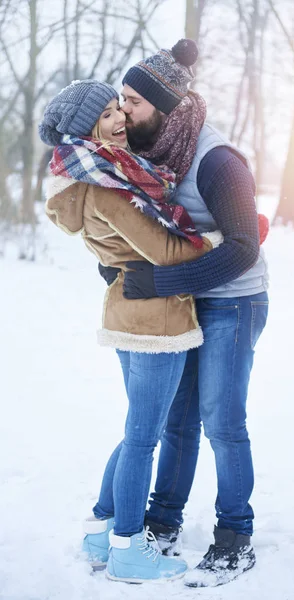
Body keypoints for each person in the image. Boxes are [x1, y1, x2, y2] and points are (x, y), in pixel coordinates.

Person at [38, 79, 223, 584]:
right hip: (155, 321)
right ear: (86, 131)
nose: (120, 119)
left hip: (130, 313)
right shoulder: (107, 185)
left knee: (138, 433)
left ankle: (102, 528)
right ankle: (126, 549)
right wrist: (219, 239)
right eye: (106, 117)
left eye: (119, 108)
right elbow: (164, 252)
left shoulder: (94, 173)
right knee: (144, 439)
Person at [100, 39, 269, 587]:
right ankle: (163, 520)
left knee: (221, 419)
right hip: (186, 299)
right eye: (121, 99)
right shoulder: (152, 151)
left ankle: (234, 534)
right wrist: (116, 264)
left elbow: (244, 245)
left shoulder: (219, 161)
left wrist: (163, 279)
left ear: (165, 108)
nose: (124, 110)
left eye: (133, 101)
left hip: (235, 300)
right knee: (177, 420)